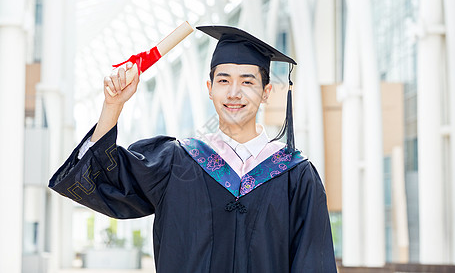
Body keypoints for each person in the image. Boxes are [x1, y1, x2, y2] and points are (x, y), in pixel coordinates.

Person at [49, 25, 337, 272]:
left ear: (266, 92)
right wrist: (113, 106)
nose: (234, 93)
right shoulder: (175, 162)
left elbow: (314, 263)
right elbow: (103, 178)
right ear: (209, 88)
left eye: (247, 82)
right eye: (224, 80)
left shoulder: (295, 176)